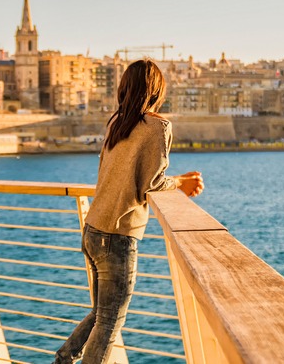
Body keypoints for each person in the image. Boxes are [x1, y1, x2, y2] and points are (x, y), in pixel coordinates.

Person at [54, 59, 204, 364]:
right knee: (109, 322)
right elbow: (152, 184)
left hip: (93, 229)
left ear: (125, 88)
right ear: (157, 91)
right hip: (117, 237)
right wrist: (183, 183)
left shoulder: (116, 123)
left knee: (100, 313)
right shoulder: (158, 127)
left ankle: (63, 359)